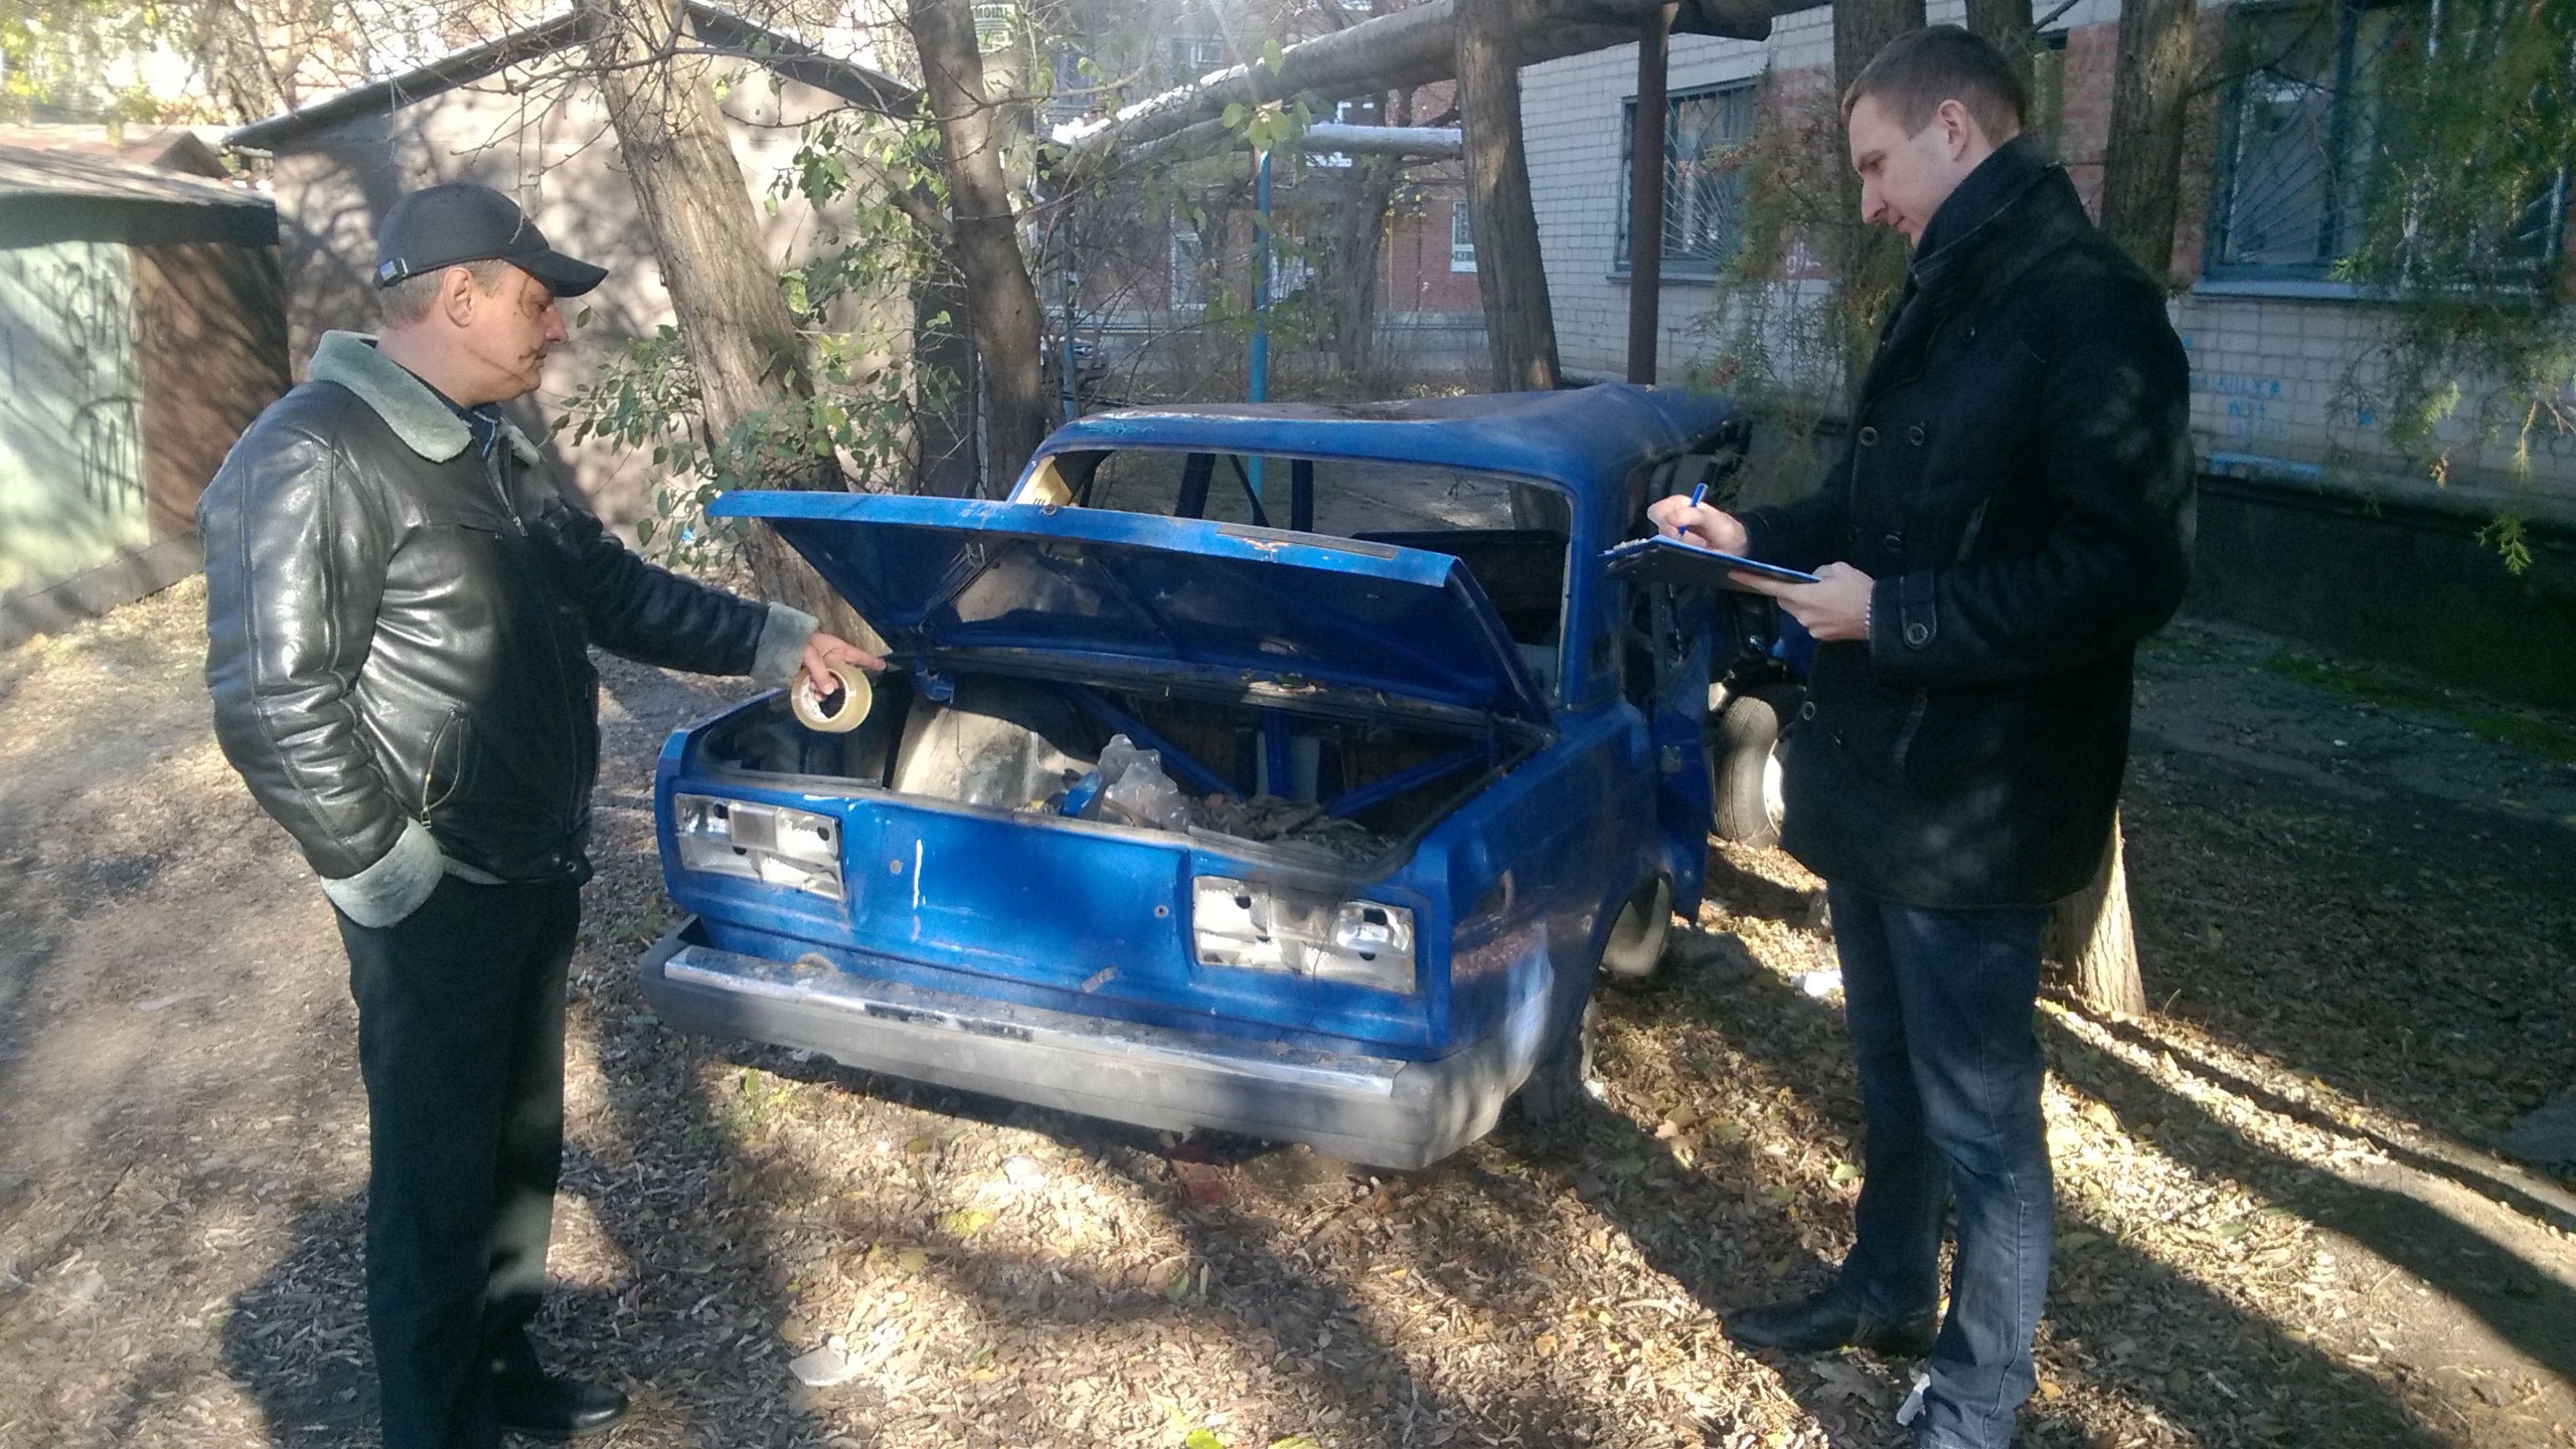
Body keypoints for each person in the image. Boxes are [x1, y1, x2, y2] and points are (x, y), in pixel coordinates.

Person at [200, 182, 881, 1447]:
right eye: (537, 301)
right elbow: (271, 702)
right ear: (459, 297)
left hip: (530, 866)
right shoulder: (310, 454)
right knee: (434, 1178)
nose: (557, 328)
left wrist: (781, 640)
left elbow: (612, 590)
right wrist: (392, 876)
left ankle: (502, 1367)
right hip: (434, 890)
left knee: (517, 1148)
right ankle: (438, 1421)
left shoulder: (483, 445)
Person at [1649, 26, 2193, 1449]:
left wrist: (1896, 617)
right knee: (1893, 1082)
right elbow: (1872, 510)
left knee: (1983, 1126)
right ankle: (1888, 1288)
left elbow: (2129, 571)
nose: (1871, 200)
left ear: (1957, 128)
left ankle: (1978, 1397)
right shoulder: (1951, 286)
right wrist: (1749, 538)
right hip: (1882, 782)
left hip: (1982, 806)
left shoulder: (2091, 307)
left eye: (1879, 165)